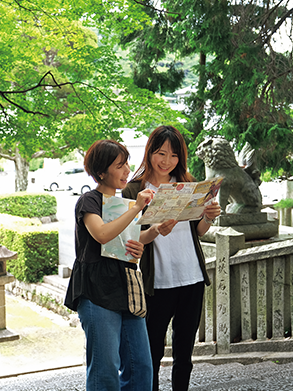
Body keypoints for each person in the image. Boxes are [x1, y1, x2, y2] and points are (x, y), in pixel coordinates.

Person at [122, 125, 221, 391]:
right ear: (150, 152)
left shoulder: (188, 185)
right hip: (158, 282)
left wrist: (209, 217)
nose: (167, 161)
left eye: (174, 155)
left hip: (192, 277)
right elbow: (129, 239)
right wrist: (154, 230)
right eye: (161, 153)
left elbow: (196, 232)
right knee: (151, 353)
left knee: (184, 355)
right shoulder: (134, 191)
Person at [64, 139, 160, 391]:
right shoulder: (89, 201)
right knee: (105, 370)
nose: (127, 170)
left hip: (126, 288)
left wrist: (156, 231)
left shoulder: (124, 205)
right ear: (101, 173)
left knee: (141, 367)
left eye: (127, 163)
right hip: (96, 290)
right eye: (120, 165)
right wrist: (138, 208)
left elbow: (130, 242)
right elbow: (103, 235)